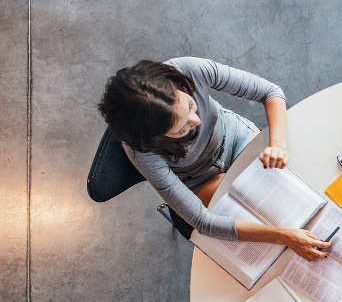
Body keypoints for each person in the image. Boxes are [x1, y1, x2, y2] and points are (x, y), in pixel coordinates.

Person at [97, 57, 329, 261]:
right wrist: (284, 237)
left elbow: (271, 92)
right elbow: (203, 221)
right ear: (155, 138)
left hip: (236, 138)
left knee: (296, 186)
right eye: (182, 129)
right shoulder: (142, 151)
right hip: (198, 179)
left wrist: (277, 145)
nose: (196, 121)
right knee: (259, 221)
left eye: (190, 105)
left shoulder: (188, 69)